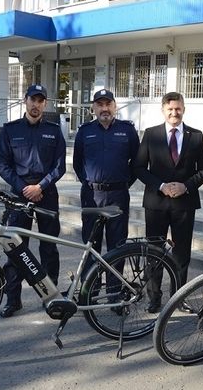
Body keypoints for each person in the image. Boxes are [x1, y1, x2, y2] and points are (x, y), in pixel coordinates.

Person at [134, 91, 203, 314]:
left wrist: (186, 185)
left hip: (184, 204)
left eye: (178, 109)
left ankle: (178, 297)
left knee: (182, 254)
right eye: (170, 109)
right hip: (156, 203)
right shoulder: (151, 134)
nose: (174, 113)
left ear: (183, 109)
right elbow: (139, 167)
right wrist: (161, 186)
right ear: (163, 110)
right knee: (154, 252)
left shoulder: (195, 136)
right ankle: (154, 298)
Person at [0, 84, 66, 317]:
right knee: (15, 248)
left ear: (45, 104)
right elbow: (3, 165)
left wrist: (40, 186)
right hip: (20, 194)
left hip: (47, 193)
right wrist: (24, 188)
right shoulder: (10, 130)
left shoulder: (54, 131)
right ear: (24, 101)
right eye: (32, 100)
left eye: (40, 100)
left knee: (49, 247)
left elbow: (59, 167)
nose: (36, 105)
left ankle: (51, 298)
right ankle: (13, 300)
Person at [72, 89, 140, 290]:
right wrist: (90, 182)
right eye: (100, 105)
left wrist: (123, 183)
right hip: (92, 196)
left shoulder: (127, 131)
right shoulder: (85, 131)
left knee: (117, 246)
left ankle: (114, 291)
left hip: (118, 196)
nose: (104, 109)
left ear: (115, 106)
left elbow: (137, 162)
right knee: (90, 244)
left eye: (108, 104)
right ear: (93, 108)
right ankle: (90, 290)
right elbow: (78, 163)